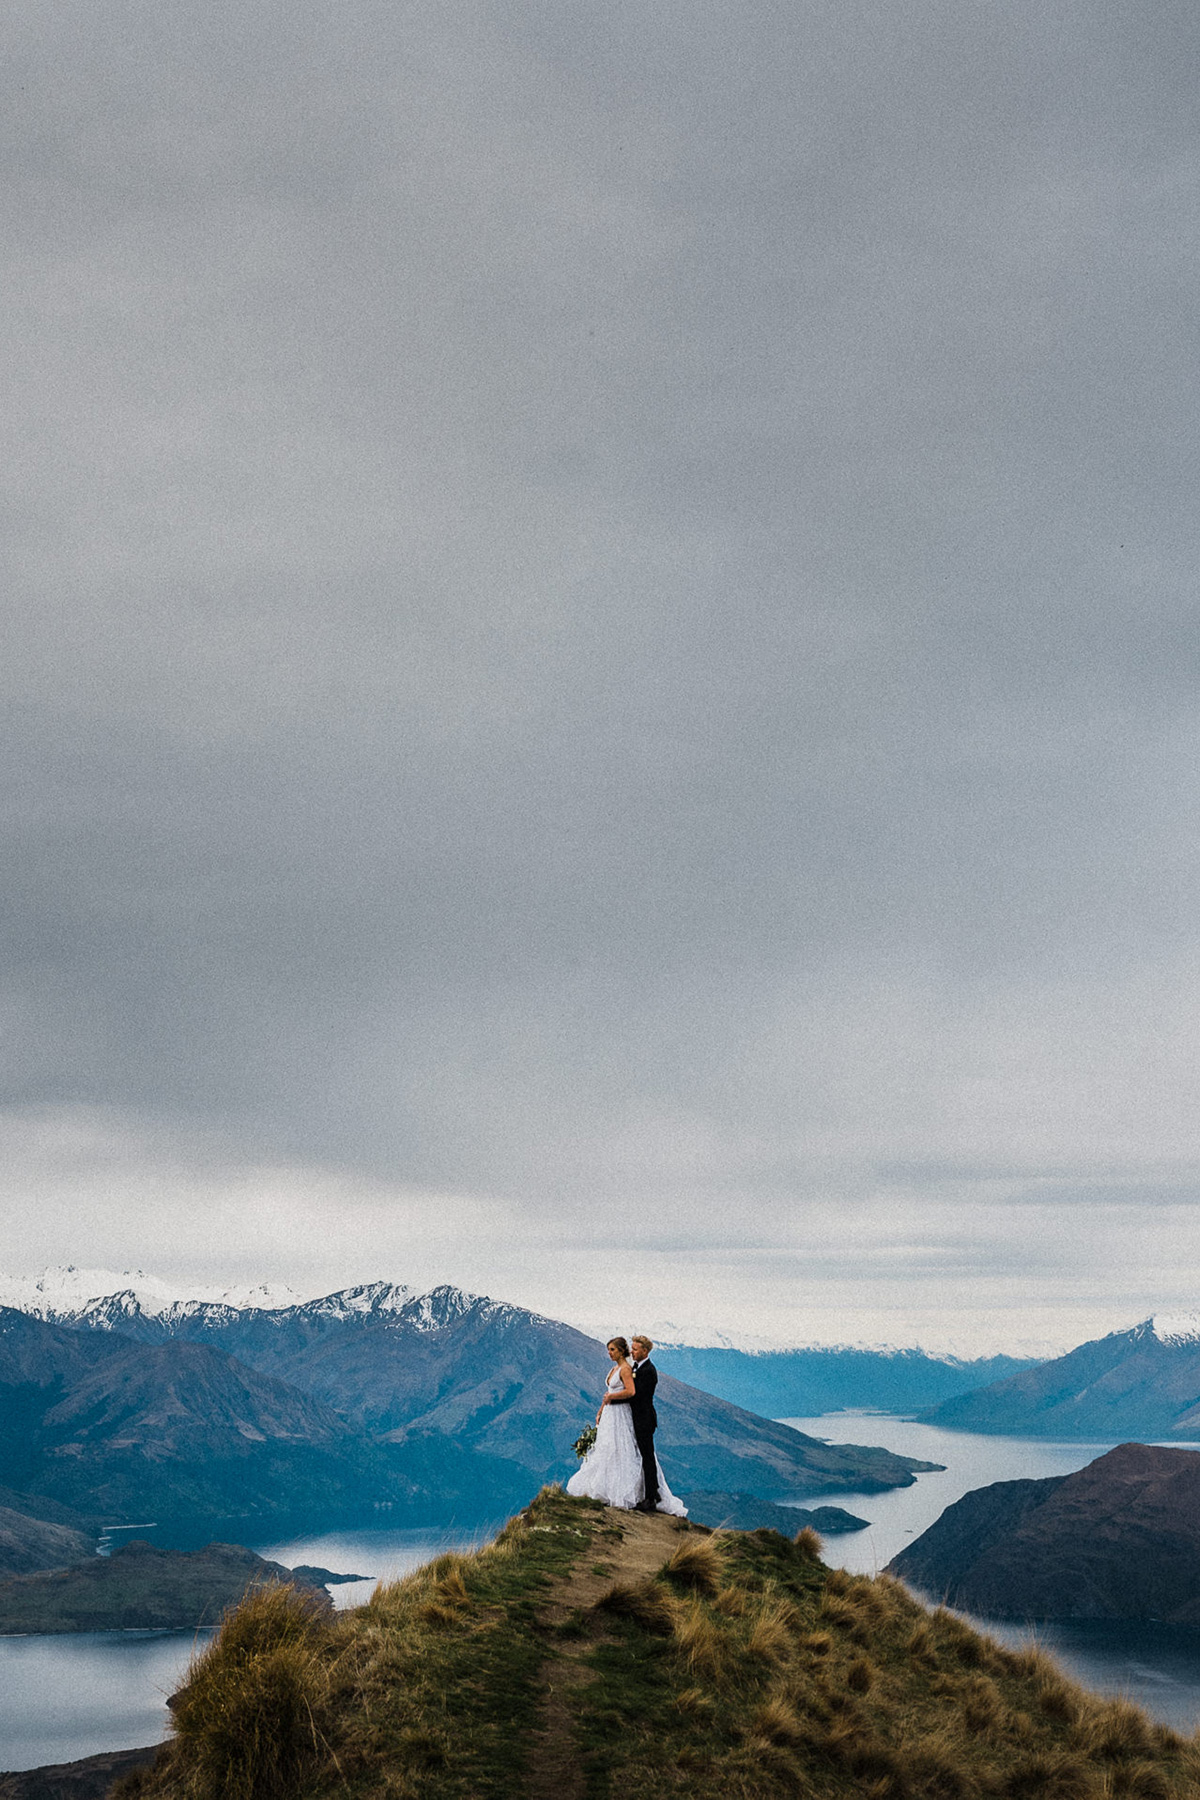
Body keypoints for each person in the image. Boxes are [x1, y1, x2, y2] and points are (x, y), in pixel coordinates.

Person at [566, 1334, 686, 1515]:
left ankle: (652, 1497)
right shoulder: (631, 1367)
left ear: (644, 1351)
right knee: (620, 1452)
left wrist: (611, 1399)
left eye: (635, 1349)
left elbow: (634, 1394)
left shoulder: (647, 1371)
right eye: (632, 1348)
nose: (632, 1351)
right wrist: (602, 1409)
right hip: (619, 1415)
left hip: (641, 1419)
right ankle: (629, 1491)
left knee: (644, 1457)